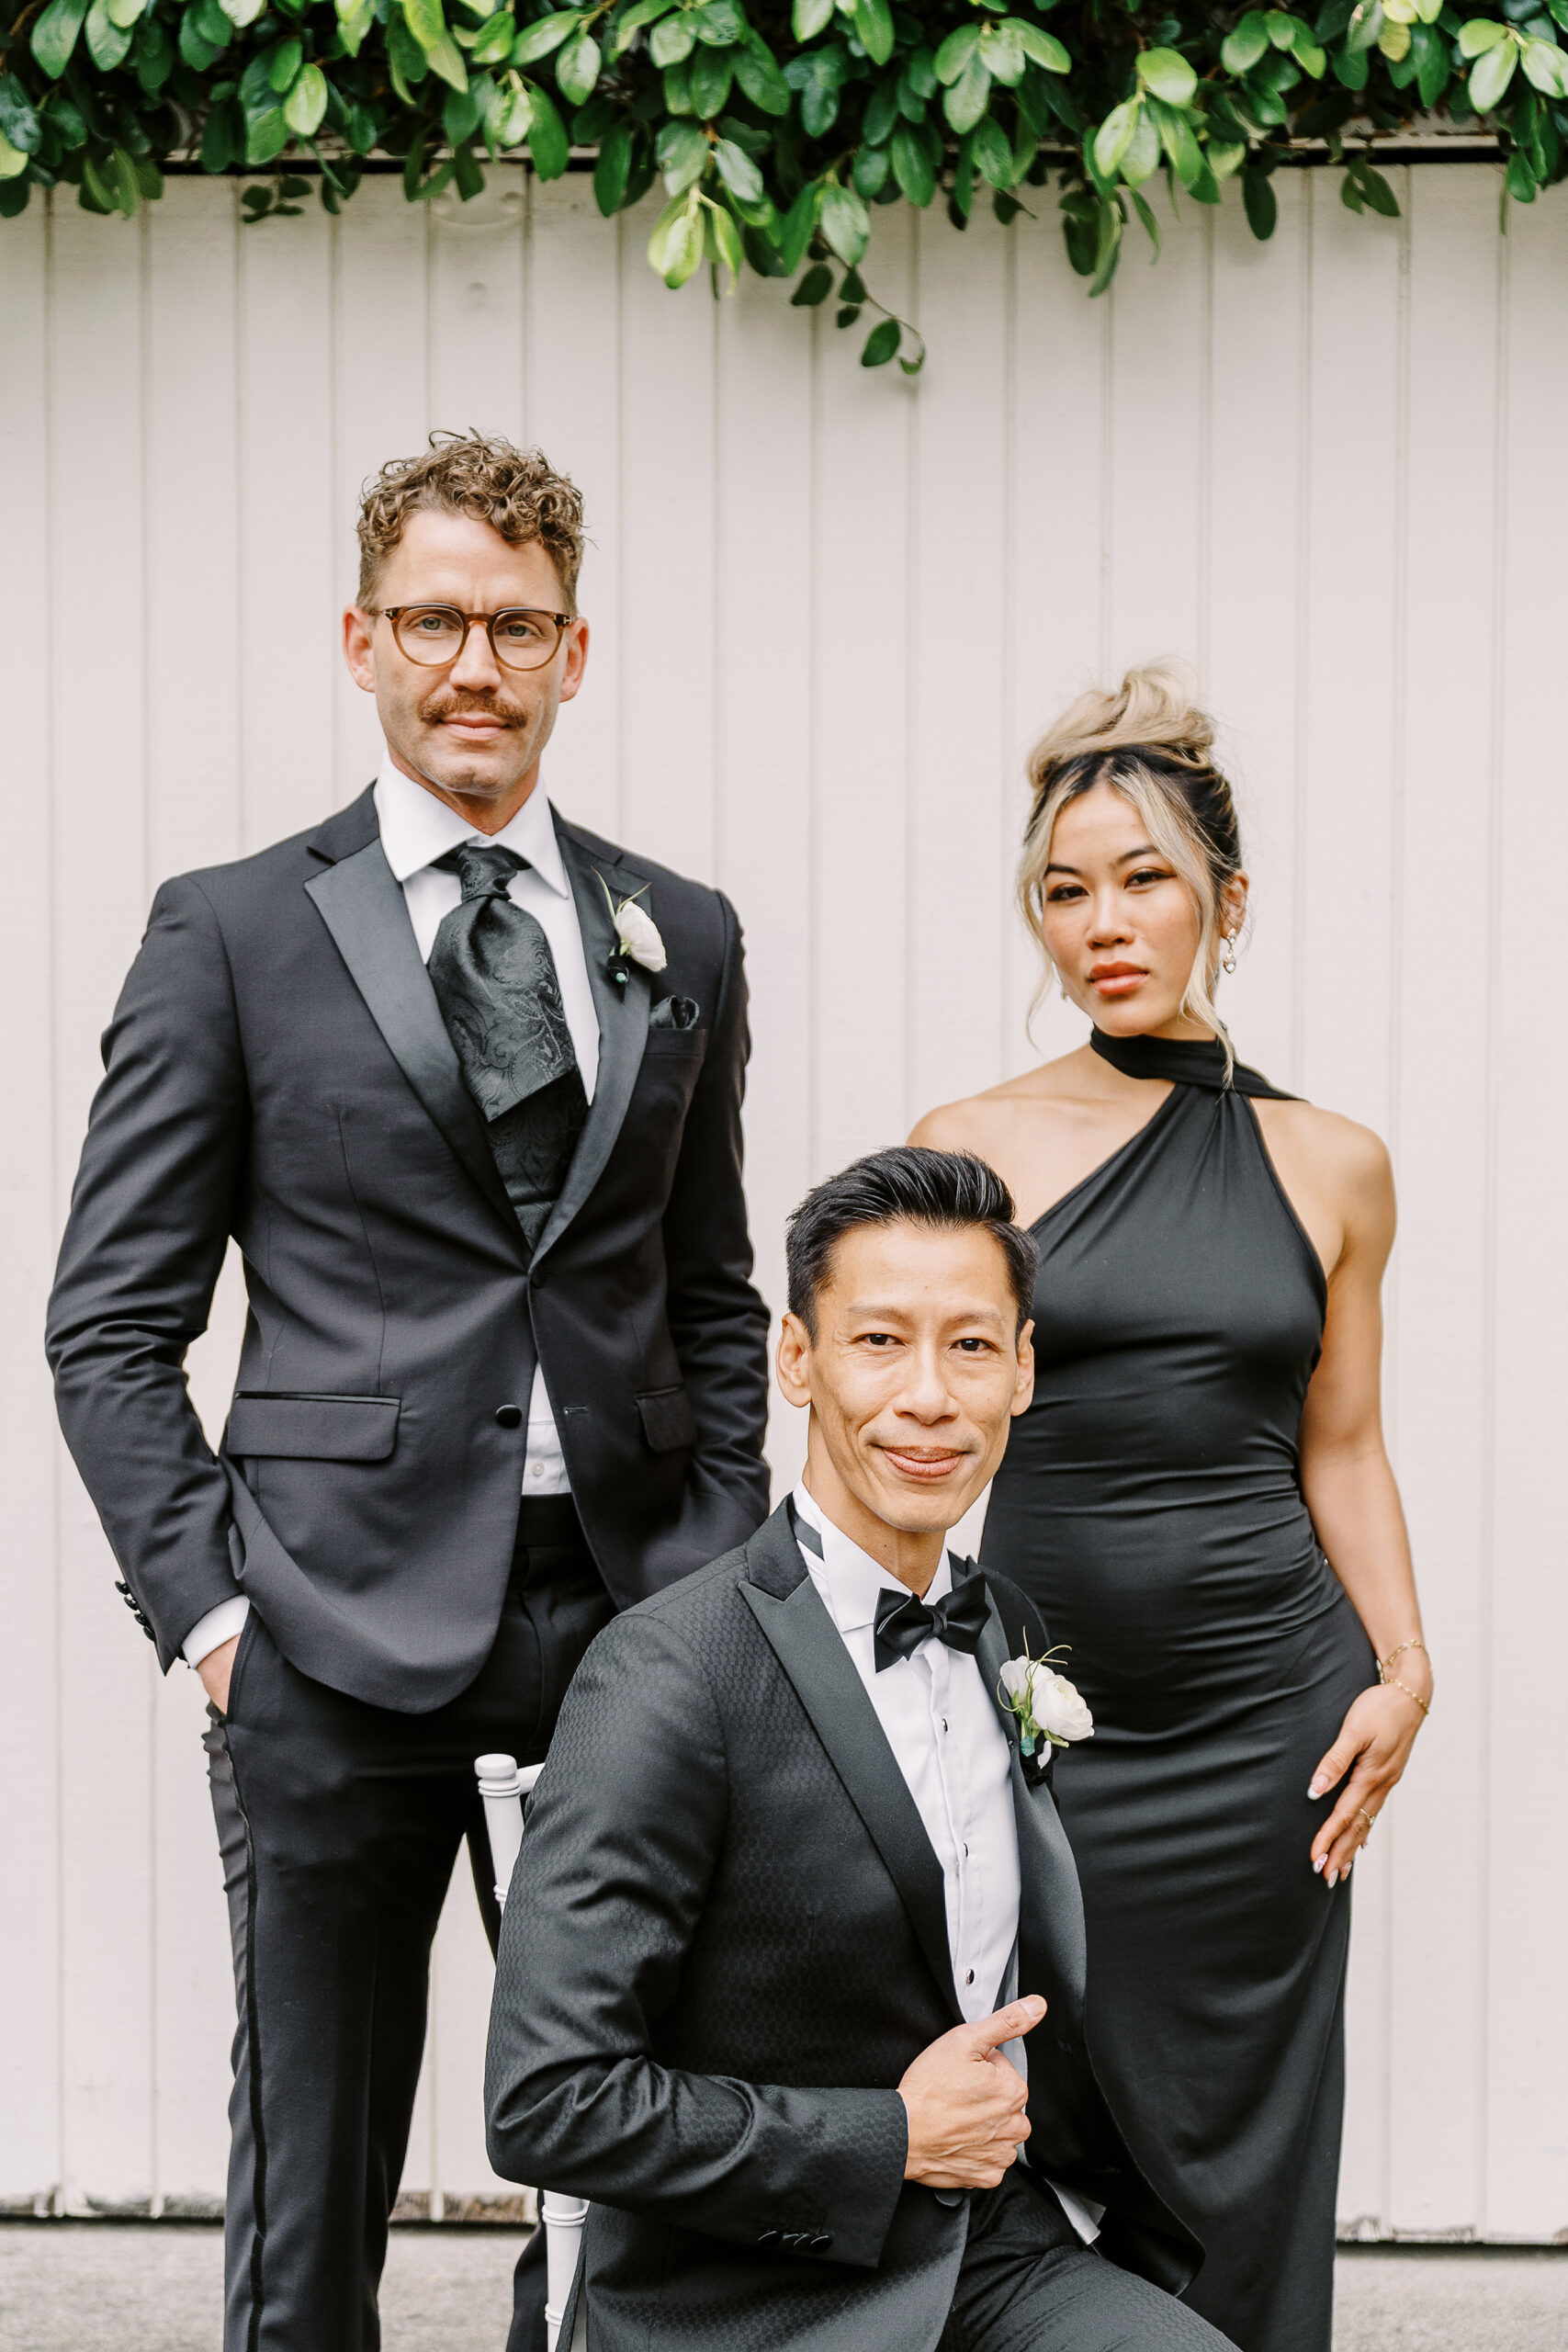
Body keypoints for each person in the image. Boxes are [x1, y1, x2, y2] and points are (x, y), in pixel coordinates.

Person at [44, 432, 771, 2352]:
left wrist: (709, 1577)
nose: (475, 664)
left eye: (516, 626)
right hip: (323, 1626)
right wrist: (216, 1620)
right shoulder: (230, 928)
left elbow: (710, 1290)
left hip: (624, 1623)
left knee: (629, 2160)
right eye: (434, 620)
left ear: (574, 652)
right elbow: (108, 1321)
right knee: (315, 2167)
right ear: (360, 639)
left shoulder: (680, 930)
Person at [485, 1146, 1240, 2352]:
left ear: (1023, 1371)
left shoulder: (1005, 1627)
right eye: (880, 1340)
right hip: (748, 2292)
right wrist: (891, 2138)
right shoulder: (671, 1673)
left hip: (990, 2249)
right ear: (797, 1358)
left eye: (971, 1346)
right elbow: (548, 2102)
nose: (929, 1396)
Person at [908, 666, 1432, 2352]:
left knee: (1251, 2130)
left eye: (1144, 879)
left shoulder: (1335, 1162)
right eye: (1066, 890)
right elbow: (904, 1415)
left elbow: (1342, 1445)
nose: (1105, 924)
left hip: (1270, 1723)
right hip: (1049, 1722)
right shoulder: (971, 1149)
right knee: (1047, 2105)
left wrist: (1405, 1668)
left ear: (1228, 899)